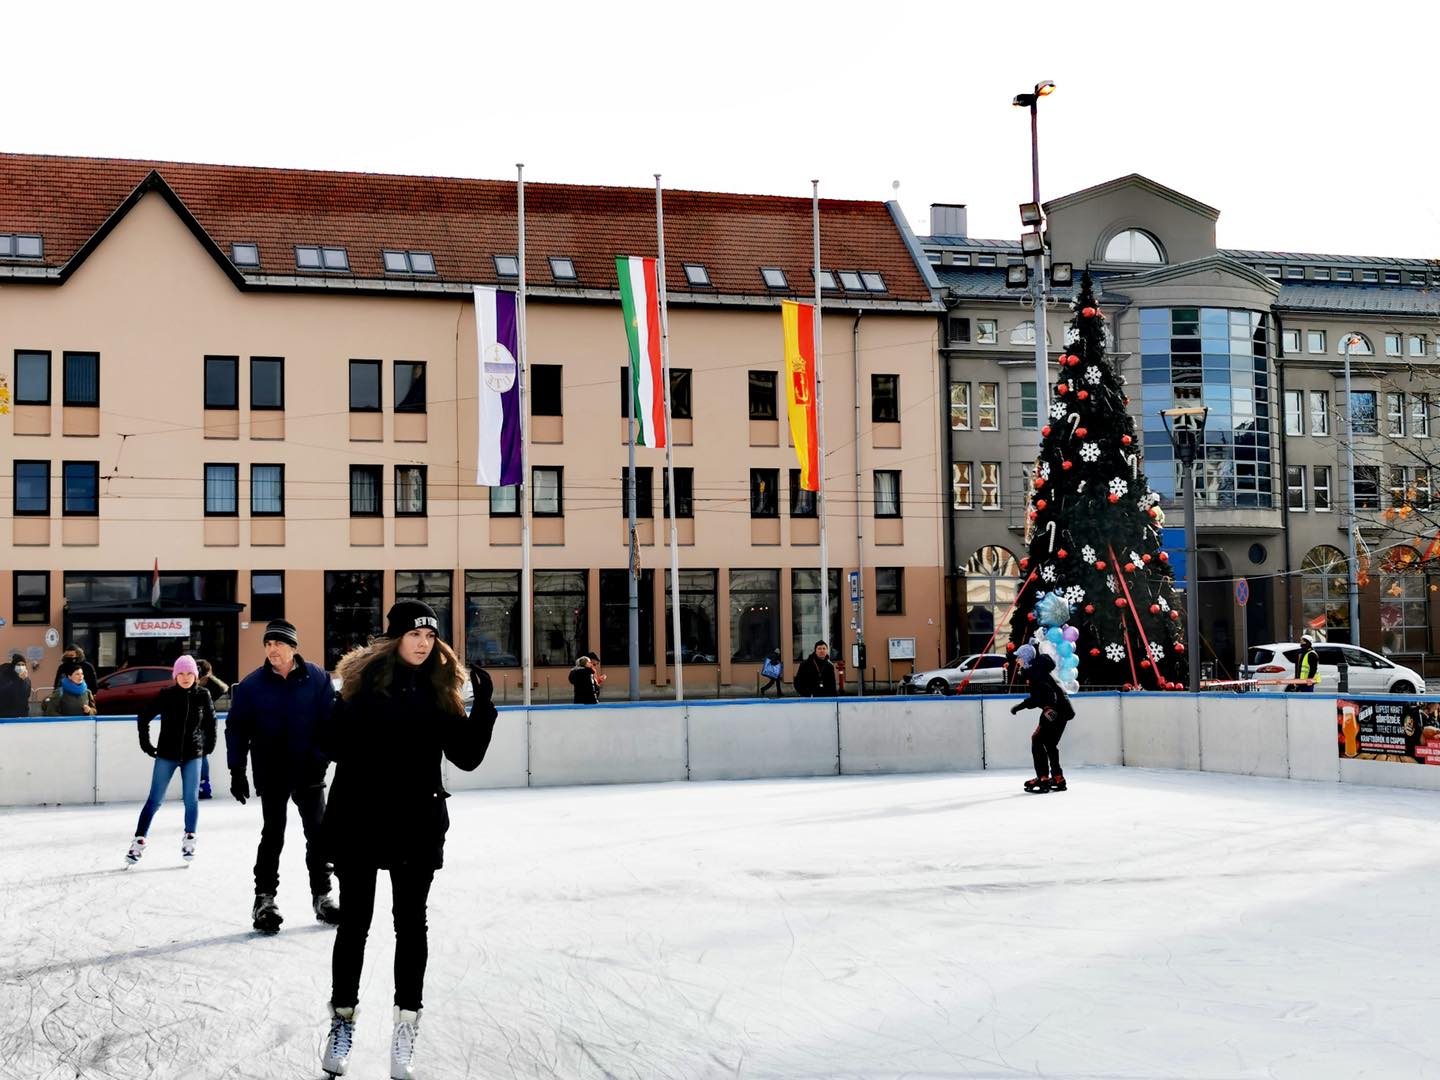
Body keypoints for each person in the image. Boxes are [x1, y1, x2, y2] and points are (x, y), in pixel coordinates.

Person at [318, 600, 497, 1079]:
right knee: (354, 924)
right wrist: (335, 712)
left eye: (430, 636)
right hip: (360, 820)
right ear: (396, 637)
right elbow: (331, 745)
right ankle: (342, 1020)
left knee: (410, 926)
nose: (423, 642)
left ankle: (406, 1025)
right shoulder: (361, 686)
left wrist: (484, 707)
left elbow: (467, 757)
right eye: (415, 634)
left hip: (417, 822)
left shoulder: (440, 690)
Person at [225, 619, 339, 933]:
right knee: (273, 834)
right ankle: (264, 898)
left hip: (309, 770)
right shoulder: (252, 685)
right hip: (271, 770)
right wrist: (237, 769)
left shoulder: (316, 678)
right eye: (268, 644)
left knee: (318, 835)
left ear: (292, 647)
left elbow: (329, 722)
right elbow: (236, 728)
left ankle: (323, 896)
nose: (272, 650)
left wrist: (322, 758)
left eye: (278, 644)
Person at [125, 656, 217, 866]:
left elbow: (211, 723)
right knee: (155, 800)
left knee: (191, 799)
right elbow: (144, 716)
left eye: (189, 673)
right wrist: (145, 743)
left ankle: (189, 839)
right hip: (166, 754)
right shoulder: (166, 695)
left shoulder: (203, 695)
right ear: (175, 676)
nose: (185, 678)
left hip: (193, 755)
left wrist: (208, 747)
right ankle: (138, 842)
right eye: (181, 674)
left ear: (196, 675)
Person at [1010, 644, 1076, 793]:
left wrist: (1021, 707)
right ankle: (1058, 778)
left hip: (1053, 711)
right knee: (1050, 743)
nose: (1017, 661)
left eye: (1019, 658)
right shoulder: (1037, 671)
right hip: (1063, 710)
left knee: (1037, 739)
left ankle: (1043, 778)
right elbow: (1041, 695)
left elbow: (1045, 694)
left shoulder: (1035, 673)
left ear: (1026, 658)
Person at [194, 659, 230, 799]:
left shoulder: (209, 689)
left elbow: (225, 688)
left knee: (201, 755)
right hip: (195, 723)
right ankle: (198, 785)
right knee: (195, 756)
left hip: (204, 724)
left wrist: (210, 676)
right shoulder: (194, 686)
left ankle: (203, 785)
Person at [0, 653, 32, 718]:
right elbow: (5, 692)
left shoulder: (26, 679)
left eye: (23, 665)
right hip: (6, 714)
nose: (21, 667)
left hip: (22, 714)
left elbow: (27, 695)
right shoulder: (5, 676)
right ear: (13, 666)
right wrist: (19, 680)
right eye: (18, 664)